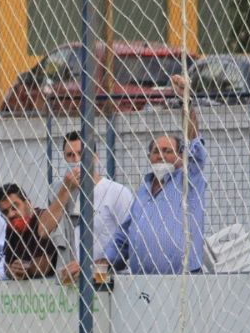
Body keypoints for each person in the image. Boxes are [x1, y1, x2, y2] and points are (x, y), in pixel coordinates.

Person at [73, 75, 205, 279]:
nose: (160, 155)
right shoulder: (143, 191)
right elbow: (125, 234)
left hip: (183, 281)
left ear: (181, 157)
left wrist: (185, 102)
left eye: (168, 151)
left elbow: (195, 144)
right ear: (149, 157)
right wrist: (105, 260)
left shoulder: (189, 180)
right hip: (143, 283)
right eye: (156, 151)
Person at [39, 131, 135, 266]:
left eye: (81, 154)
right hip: (68, 272)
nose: (76, 159)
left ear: (95, 157)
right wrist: (65, 190)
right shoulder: (59, 190)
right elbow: (43, 231)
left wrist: (95, 266)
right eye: (70, 155)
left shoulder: (117, 192)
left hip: (105, 273)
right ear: (64, 158)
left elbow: (131, 237)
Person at [0, 184, 59, 280]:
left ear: (28, 204)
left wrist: (23, 268)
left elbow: (43, 267)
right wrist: (11, 270)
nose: (11, 214)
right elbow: (7, 266)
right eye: (5, 212)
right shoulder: (11, 227)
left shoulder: (43, 219)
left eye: (14, 207)